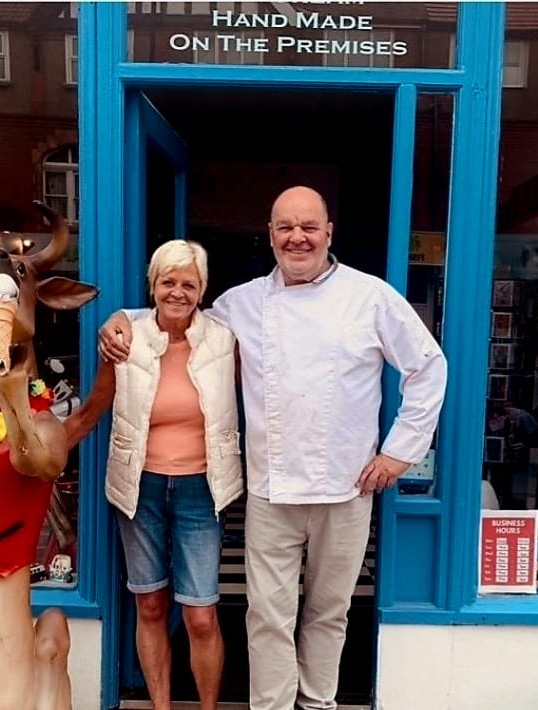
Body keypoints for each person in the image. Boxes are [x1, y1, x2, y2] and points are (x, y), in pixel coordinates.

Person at [100, 186, 448, 710]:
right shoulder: (239, 304)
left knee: (329, 611)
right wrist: (119, 320)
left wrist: (399, 452)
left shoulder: (370, 296)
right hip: (270, 489)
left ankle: (318, 703)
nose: (297, 237)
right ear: (270, 235)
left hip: (347, 486)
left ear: (329, 233)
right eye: (285, 227)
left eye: (308, 226)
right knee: (267, 615)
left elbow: (428, 367)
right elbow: (177, 314)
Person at [86, 239, 243, 710]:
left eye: (189, 284)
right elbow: (95, 405)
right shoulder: (125, 337)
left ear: (203, 290)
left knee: (200, 613)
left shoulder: (225, 340)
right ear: (152, 285)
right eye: (168, 282)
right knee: (150, 604)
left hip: (202, 489)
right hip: (140, 488)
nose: (178, 292)